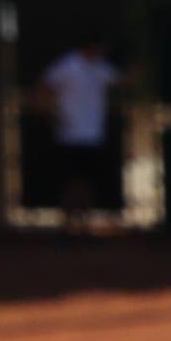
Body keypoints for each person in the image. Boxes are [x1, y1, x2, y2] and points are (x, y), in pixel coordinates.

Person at [39, 37, 124, 218]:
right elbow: (45, 87)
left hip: (92, 134)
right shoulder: (68, 64)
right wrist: (53, 114)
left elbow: (121, 81)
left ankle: (83, 218)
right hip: (69, 134)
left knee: (88, 178)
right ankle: (69, 218)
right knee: (70, 179)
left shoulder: (100, 68)